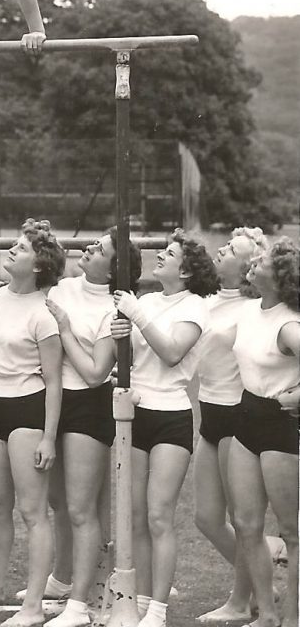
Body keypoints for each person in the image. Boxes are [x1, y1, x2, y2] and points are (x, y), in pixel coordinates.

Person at [111, 229, 218, 627]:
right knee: (136, 516)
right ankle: (138, 602)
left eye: (169, 254)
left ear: (186, 271)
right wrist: (120, 330)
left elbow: (172, 353)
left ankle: (158, 611)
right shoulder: (149, 300)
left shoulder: (196, 308)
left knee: (159, 516)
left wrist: (136, 316)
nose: (160, 257)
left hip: (171, 415)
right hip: (135, 413)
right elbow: (132, 353)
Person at [0, 219, 65, 627]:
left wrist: (48, 438)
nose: (12, 250)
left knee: (33, 511)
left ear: (39, 265)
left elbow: (55, 379)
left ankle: (33, 605)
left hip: (28, 415)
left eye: (22, 249)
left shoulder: (44, 312)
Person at [42, 228, 143, 627]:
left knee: (83, 508)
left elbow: (97, 373)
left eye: (98, 248)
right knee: (58, 503)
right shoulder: (63, 287)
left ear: (113, 267)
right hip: (50, 401)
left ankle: (79, 605)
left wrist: (65, 330)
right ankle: (62, 579)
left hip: (87, 406)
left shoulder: (114, 309)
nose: (88, 248)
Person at [193, 227, 266, 622]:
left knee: (242, 518)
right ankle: (263, 568)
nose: (219, 251)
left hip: (238, 414)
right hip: (208, 411)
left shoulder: (253, 309)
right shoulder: (203, 298)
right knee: (205, 517)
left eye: (230, 249)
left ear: (248, 265)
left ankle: (241, 602)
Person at [228, 237, 299, 627]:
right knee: (247, 523)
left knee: (291, 532)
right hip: (246, 417)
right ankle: (267, 615)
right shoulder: (249, 310)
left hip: (281, 427)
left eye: (266, 259)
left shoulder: (290, 324)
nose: (256, 261)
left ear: (283, 275)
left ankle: (293, 617)